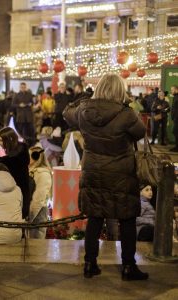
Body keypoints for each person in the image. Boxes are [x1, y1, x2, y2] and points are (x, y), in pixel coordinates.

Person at [63, 73, 148, 281]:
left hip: (93, 171)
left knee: (95, 217)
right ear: (121, 91)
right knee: (126, 219)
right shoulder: (126, 114)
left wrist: (83, 97)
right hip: (121, 173)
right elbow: (141, 132)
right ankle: (128, 266)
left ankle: (90, 264)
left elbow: (67, 113)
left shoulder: (84, 110)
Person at [0, 127, 31, 219]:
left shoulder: (9, 161)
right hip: (19, 196)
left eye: (0, 140)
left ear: (9, 139)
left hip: (17, 198)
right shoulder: (20, 153)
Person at [28, 146, 52, 239]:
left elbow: (39, 199)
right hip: (31, 212)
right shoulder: (31, 171)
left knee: (36, 247)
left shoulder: (43, 174)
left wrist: (30, 217)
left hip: (37, 214)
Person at [171, 85, 178, 152]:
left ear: (176, 89)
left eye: (172, 90)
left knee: (176, 132)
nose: (171, 91)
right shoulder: (175, 97)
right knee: (175, 132)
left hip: (177, 118)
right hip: (175, 118)